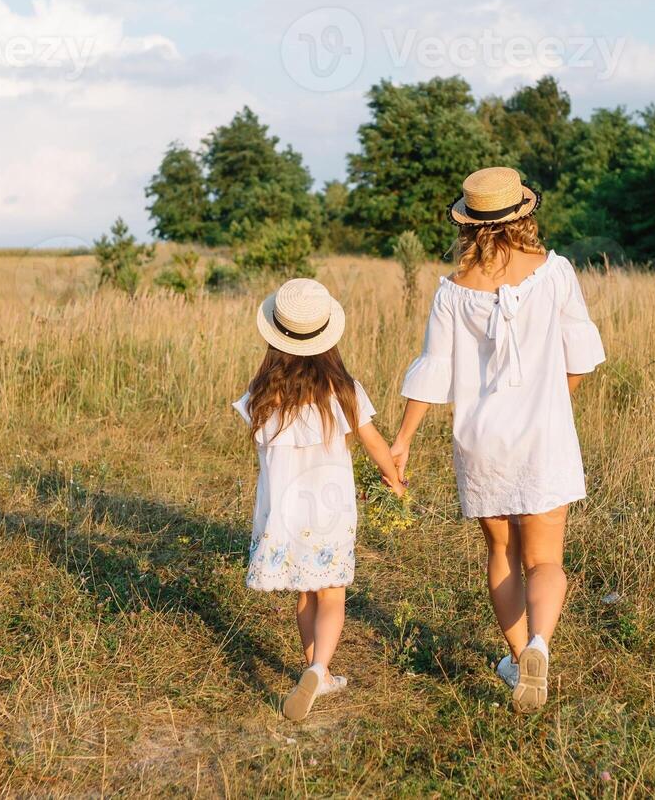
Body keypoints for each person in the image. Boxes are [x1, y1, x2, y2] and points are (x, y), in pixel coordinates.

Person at [390, 167, 605, 713]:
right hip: (543, 435)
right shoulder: (555, 273)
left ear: (469, 225)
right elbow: (579, 360)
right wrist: (548, 405)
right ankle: (539, 647)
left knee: (502, 552)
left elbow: (434, 371)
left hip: (482, 442)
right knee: (547, 558)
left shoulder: (452, 293)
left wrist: (402, 440)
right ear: (524, 215)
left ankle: (515, 663)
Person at [234, 277, 405, 721]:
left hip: (283, 514)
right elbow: (373, 443)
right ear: (327, 336)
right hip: (330, 512)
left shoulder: (262, 396)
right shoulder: (343, 391)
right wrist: (394, 478)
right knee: (331, 595)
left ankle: (318, 672)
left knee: (305, 594)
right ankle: (318, 668)